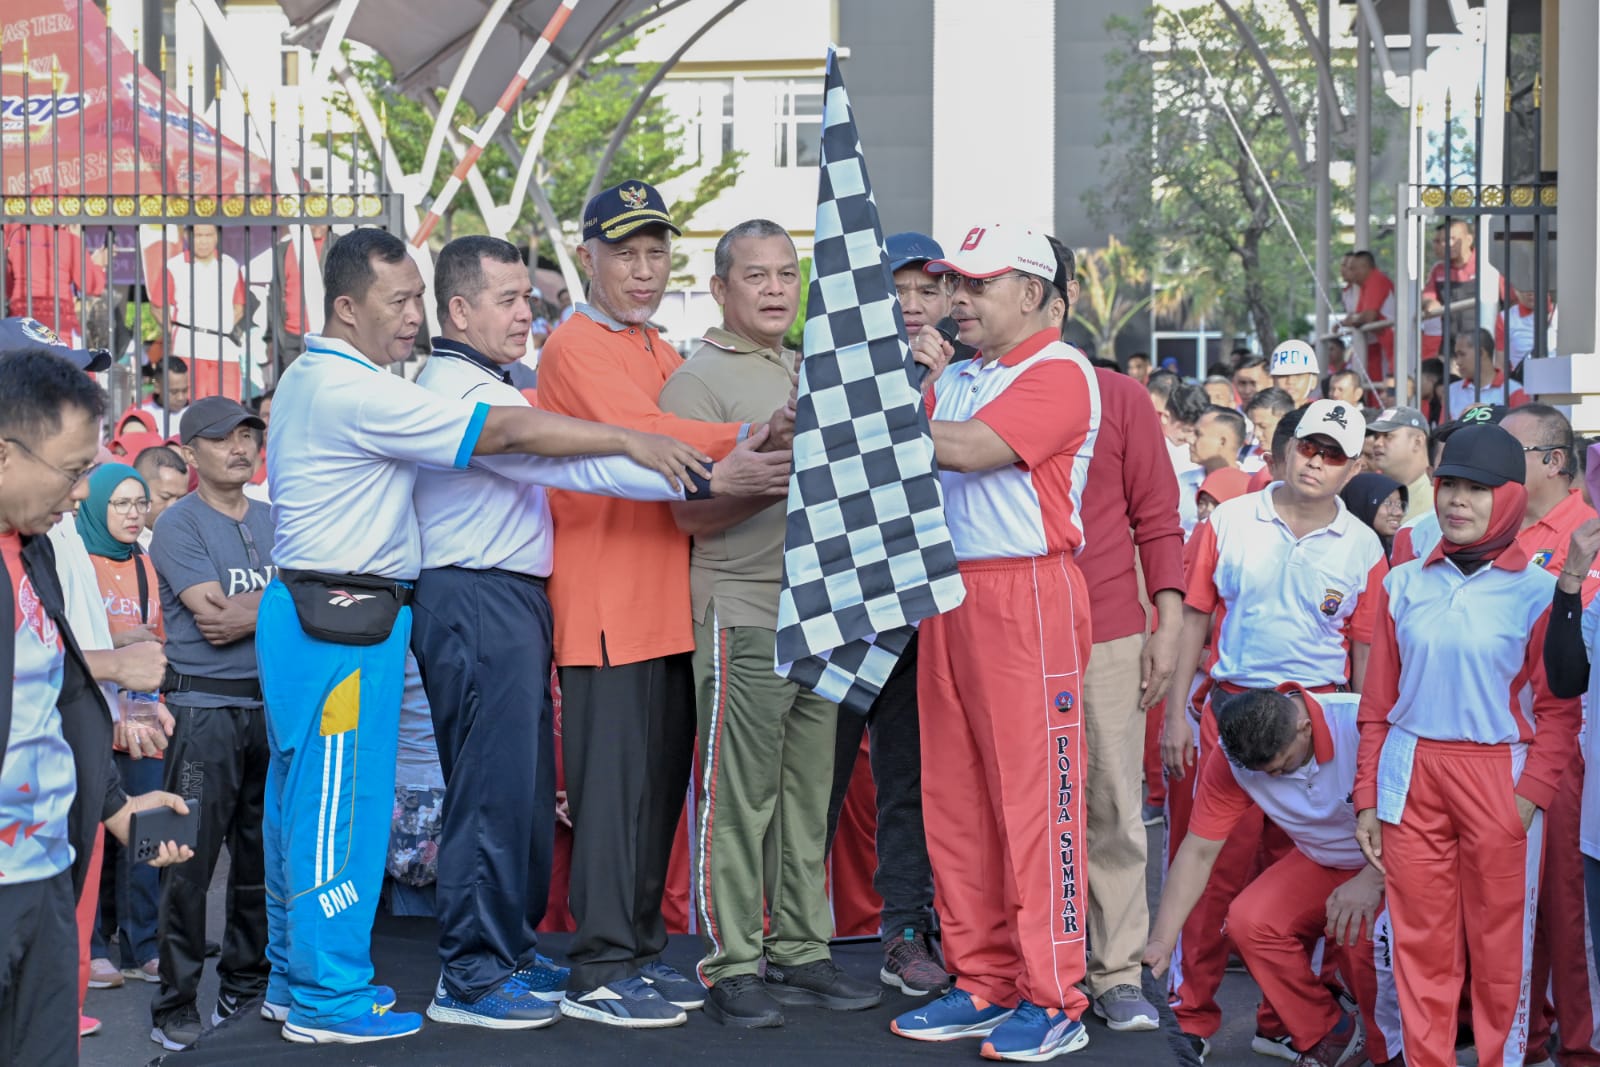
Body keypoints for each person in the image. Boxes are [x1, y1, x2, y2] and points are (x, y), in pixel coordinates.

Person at [256, 226, 712, 1045]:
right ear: (346, 306)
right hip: (360, 614)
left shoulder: (338, 379)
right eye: (401, 302)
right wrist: (637, 438)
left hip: (354, 610)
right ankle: (416, 982)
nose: (414, 317)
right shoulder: (373, 389)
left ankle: (311, 981)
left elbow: (537, 451)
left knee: (336, 805)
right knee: (348, 812)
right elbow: (509, 438)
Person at [410, 235, 753, 1031]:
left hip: (513, 597)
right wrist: (699, 459)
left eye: (526, 297)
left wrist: (682, 454)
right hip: (474, 595)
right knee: (489, 796)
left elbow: (582, 462)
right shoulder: (461, 391)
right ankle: (468, 973)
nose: (525, 313)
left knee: (520, 795)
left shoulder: (499, 385)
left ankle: (508, 947)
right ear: (458, 309)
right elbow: (580, 466)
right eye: (507, 300)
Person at [537, 182, 794, 1029]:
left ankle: (640, 950)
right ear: (588, 258)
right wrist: (764, 428)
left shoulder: (653, 345)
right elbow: (650, 434)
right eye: (626, 254)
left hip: (667, 604)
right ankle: (602, 963)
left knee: (654, 798)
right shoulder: (576, 345)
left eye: (655, 253)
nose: (644, 270)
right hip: (607, 604)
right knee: (613, 799)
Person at [659, 219, 881, 1028]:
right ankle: (731, 962)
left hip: (819, 610)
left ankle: (800, 948)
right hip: (744, 607)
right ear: (720, 288)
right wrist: (767, 462)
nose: (777, 288)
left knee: (804, 794)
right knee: (739, 796)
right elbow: (685, 517)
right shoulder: (695, 383)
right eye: (757, 275)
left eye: (787, 273)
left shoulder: (804, 367)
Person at [885, 225, 1099, 1062]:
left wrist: (874, 414)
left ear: (1035, 291)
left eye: (978, 283)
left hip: (1029, 590)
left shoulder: (1061, 370)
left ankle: (1056, 997)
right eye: (954, 283)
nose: (959, 299)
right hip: (951, 589)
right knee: (956, 799)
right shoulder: (960, 374)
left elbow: (971, 451)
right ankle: (982, 978)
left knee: (1039, 803)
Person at [1161, 399, 1386, 1060]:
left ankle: (1282, 1018)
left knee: (1297, 883)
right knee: (1208, 872)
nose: (1317, 462)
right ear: (1289, 448)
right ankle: (1192, 1015)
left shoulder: (1364, 545)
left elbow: (1368, 664)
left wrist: (1364, 755)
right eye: (1310, 447)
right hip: (1230, 716)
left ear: (1351, 468)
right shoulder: (1229, 520)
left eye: (1334, 454)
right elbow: (1195, 620)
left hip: (1316, 731)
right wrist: (1176, 713)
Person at [1355, 423, 1578, 1067]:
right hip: (1412, 770)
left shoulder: (1538, 592)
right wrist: (1368, 794)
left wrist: (1528, 800)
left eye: (1477, 489)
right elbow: (1376, 708)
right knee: (1419, 945)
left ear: (1509, 497)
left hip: (1498, 777)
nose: (1457, 500)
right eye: (1449, 484)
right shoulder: (1402, 583)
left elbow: (1560, 713)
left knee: (1500, 948)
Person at [0, 347, 193, 1066]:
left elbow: (54, 703)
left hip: (45, 874)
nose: (84, 492)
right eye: (73, 469)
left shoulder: (39, 552)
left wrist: (118, 811)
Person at [1050, 243, 1184, 1036]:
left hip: (1106, 629)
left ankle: (1118, 970)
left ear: (1055, 299)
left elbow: (1157, 517)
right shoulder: (970, 390)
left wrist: (1166, 620)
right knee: (1019, 809)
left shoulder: (1119, 397)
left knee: (1111, 806)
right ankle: (1029, 963)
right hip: (1000, 630)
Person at [823, 230, 952, 999]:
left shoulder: (971, 381)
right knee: (816, 779)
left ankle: (906, 931)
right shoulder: (833, 368)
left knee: (910, 781)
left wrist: (932, 387)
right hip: (843, 605)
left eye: (926, 291)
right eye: (896, 290)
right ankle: (787, 935)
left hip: (928, 611)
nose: (911, 305)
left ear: (950, 300)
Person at [1145, 687, 1398, 1067]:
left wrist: (1371, 879)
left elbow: (1425, 817)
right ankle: (1329, 1033)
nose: (1275, 777)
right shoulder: (1235, 760)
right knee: (1250, 921)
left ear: (1304, 727)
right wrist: (1162, 943)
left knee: (1363, 941)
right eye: (1266, 773)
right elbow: (1197, 853)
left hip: (1394, 863)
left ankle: (1394, 1053)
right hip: (1322, 861)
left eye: (1282, 766)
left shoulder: (1359, 723)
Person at [144, 397, 274, 1050]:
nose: (241, 447)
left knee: (259, 863)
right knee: (182, 864)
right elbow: (217, 618)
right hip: (200, 712)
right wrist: (284, 600)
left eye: (249, 435)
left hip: (268, 711)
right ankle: (174, 1004)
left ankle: (244, 989)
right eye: (223, 438)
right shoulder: (178, 525)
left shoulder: (278, 518)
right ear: (190, 453)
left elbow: (306, 599)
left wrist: (270, 604)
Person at [1496, 403, 1600, 1067]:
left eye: (1511, 453)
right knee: (1517, 901)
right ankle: (1525, 1034)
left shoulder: (1588, 534)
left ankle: (1581, 1042)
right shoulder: (1502, 528)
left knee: (1567, 904)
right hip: (1504, 745)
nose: (1494, 466)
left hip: (1572, 752)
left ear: (1554, 462)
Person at [77, 462, 168, 996]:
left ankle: (144, 946)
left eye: (142, 503)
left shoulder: (144, 562)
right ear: (98, 506)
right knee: (93, 838)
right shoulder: (76, 560)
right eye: (122, 504)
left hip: (138, 715)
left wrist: (153, 703)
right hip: (90, 714)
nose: (135, 514)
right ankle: (90, 947)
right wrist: (118, 639)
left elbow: (153, 643)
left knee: (148, 829)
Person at [163, 225, 248, 401]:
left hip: (224, 348)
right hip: (188, 346)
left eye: (208, 235)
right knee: (191, 406)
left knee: (228, 407)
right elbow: (159, 307)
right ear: (187, 236)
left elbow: (239, 306)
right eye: (198, 235)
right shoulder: (174, 266)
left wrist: (220, 326)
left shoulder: (230, 265)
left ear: (217, 236)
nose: (203, 241)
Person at [1148, 372, 1208, 536]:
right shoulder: (1150, 449)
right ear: (1166, 417)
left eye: (1197, 432)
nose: (1191, 439)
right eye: (1186, 431)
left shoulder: (1206, 450)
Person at [1366, 407, 1434, 524]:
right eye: (1377, 437)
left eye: (1388, 436)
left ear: (1417, 442)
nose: (1377, 443)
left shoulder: (1437, 499)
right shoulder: (1372, 494)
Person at [1339, 250, 1396, 383]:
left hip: (1390, 341)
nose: (1351, 273)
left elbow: (1368, 316)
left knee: (1387, 384)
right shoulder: (1365, 286)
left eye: (1353, 268)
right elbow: (1360, 317)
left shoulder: (1376, 280)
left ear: (1364, 267)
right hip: (1382, 342)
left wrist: (1352, 320)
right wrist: (1355, 319)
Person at [1448, 328, 1527, 417]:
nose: (1458, 362)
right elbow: (1443, 429)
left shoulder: (1514, 391)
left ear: (1481, 353)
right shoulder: (1452, 391)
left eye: (1462, 354)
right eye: (1456, 355)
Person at [132, 445, 191, 549]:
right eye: (165, 497)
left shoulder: (191, 539)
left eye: (181, 498)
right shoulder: (121, 544)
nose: (174, 506)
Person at [1339, 472, 1408, 559]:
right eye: (1387, 502)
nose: (1399, 512)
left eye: (1399, 504)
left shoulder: (1394, 551)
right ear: (1362, 503)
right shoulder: (1341, 553)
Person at [1244, 387, 1295, 473]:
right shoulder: (1244, 455)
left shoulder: (1297, 461)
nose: (1256, 433)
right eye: (1254, 425)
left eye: (1263, 426)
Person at [140, 357, 191, 437]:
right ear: (157, 387)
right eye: (174, 392)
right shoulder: (142, 413)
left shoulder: (196, 413)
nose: (180, 397)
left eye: (185, 390)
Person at [1268, 339, 1320, 408]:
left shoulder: (1322, 414)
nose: (1290, 381)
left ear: (1313, 381)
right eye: (1283, 375)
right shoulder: (1261, 414)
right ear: (1273, 380)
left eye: (1298, 375)